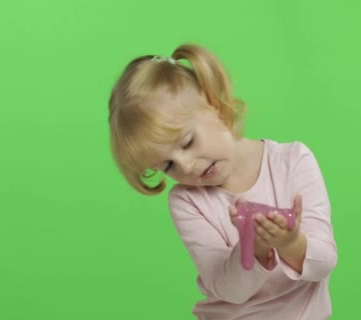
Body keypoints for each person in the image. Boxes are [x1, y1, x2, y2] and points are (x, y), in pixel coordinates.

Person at [107, 43, 338, 319]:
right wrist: (253, 247)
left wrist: (290, 242)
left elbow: (324, 262)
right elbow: (229, 291)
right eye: (168, 166)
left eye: (188, 142)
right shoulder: (188, 200)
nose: (187, 166)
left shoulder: (293, 161)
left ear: (213, 103)